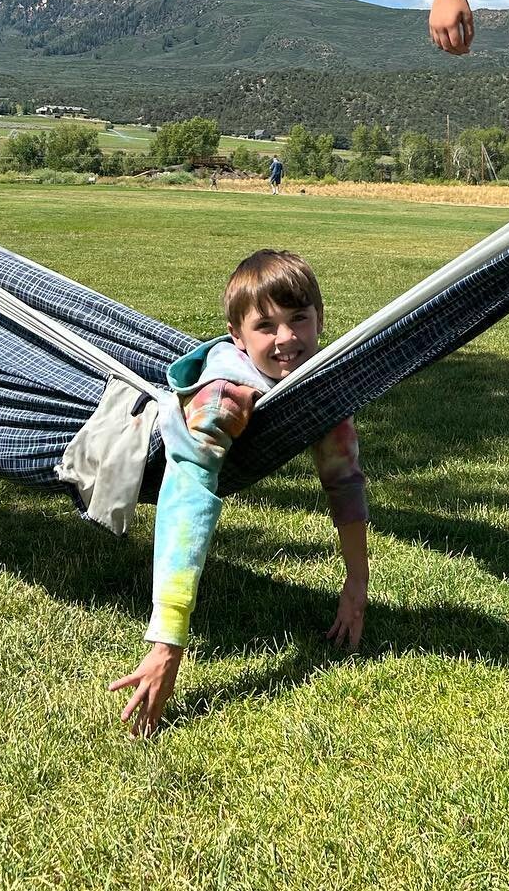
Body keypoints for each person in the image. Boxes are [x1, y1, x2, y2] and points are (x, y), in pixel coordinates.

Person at [110, 249, 368, 736]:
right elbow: (188, 494)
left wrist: (357, 582)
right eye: (266, 326)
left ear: (319, 320)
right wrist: (167, 642)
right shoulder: (224, 397)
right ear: (238, 338)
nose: (287, 338)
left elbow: (345, 480)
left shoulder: (318, 385)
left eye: (299, 319)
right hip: (142, 448)